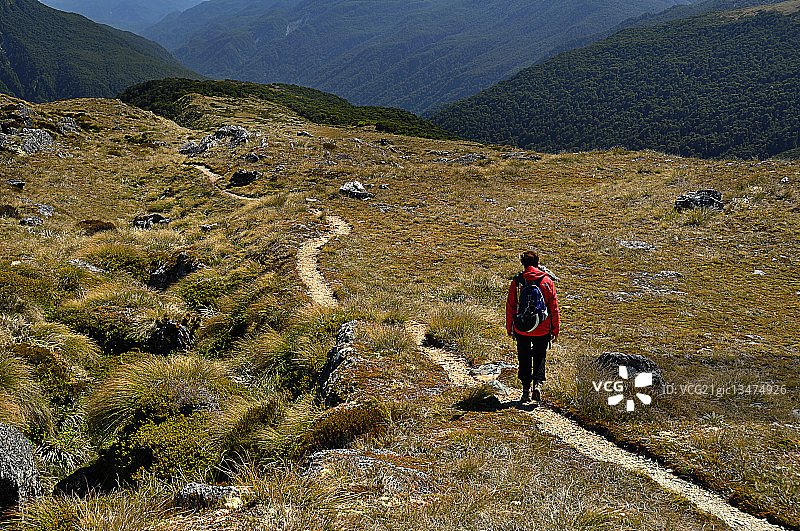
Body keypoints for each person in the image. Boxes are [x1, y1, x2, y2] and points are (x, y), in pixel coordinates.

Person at [505, 250, 560, 403]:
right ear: (537, 263)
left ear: (523, 264)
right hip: (542, 327)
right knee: (540, 355)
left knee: (523, 356)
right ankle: (538, 384)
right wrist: (555, 329)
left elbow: (511, 306)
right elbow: (553, 307)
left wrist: (509, 327)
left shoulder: (517, 281)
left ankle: (525, 390)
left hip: (521, 327)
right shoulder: (547, 281)